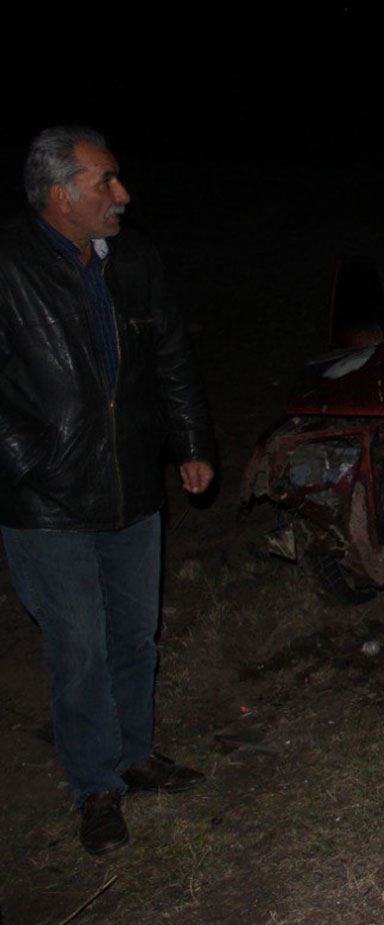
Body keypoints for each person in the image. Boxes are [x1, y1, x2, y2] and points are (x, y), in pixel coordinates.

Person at [0, 127, 215, 854]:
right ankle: (95, 785)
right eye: (106, 182)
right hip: (47, 500)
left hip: (131, 482)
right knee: (79, 647)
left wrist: (191, 444)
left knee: (133, 632)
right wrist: (33, 459)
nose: (122, 194)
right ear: (61, 195)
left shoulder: (136, 260)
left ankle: (135, 755)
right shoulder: (9, 263)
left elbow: (172, 356)